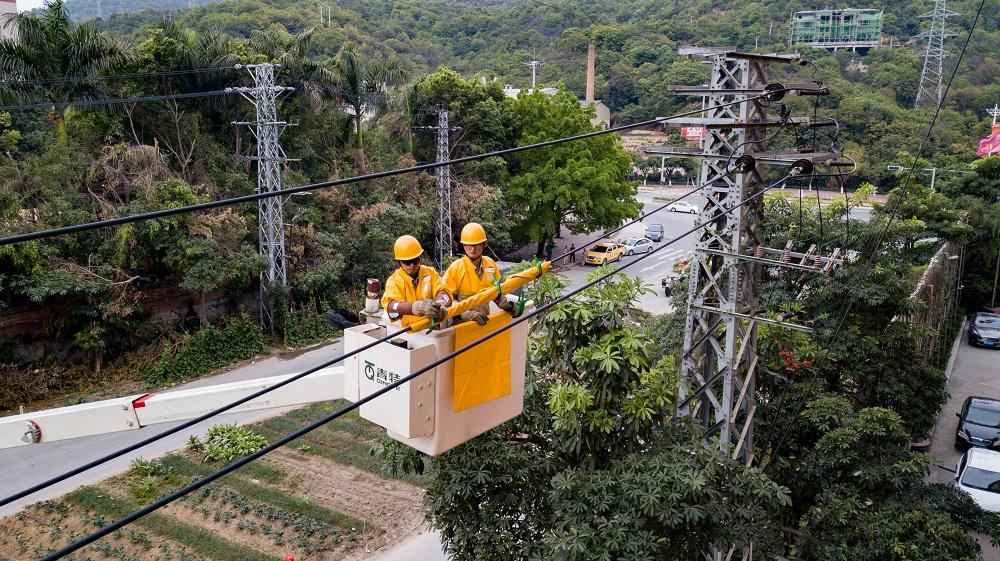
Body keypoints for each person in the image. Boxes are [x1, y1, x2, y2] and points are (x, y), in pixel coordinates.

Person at [441, 222, 517, 326]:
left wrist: (506, 305)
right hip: (461, 328)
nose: (472, 249)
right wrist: (465, 314)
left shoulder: (490, 265)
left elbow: (495, 292)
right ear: (463, 245)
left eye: (476, 245)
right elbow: (445, 300)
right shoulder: (456, 268)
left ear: (484, 244)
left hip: (484, 324)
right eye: (469, 245)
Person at [380, 235, 446, 327]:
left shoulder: (430, 273)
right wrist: (413, 307)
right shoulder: (394, 281)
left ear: (420, 258)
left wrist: (441, 303)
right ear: (399, 262)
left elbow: (443, 292)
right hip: (407, 330)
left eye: (415, 261)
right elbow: (391, 306)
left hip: (431, 327)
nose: (412, 265)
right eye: (407, 262)